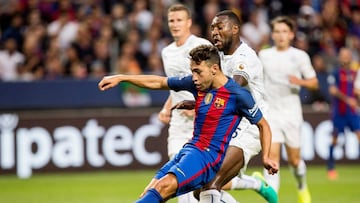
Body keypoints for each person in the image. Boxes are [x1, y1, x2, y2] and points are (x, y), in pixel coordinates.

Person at [98, 44, 278, 203]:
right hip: (188, 150)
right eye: (192, 71)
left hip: (206, 158)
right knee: (149, 192)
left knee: (162, 189)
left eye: (197, 71)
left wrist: (266, 157)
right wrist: (122, 77)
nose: (194, 77)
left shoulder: (238, 95)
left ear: (214, 68)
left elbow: (264, 125)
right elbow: (159, 82)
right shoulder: (198, 85)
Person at [193, 10, 278, 203]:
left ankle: (257, 185)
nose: (214, 31)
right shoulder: (220, 58)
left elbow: (232, 88)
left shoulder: (244, 57)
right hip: (230, 126)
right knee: (201, 188)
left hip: (251, 126)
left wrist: (200, 101)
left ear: (235, 29)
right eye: (212, 27)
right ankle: (255, 184)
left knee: (209, 185)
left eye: (219, 27)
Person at [258, 16, 318, 203]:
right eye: (277, 31)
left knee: (294, 160)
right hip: (271, 114)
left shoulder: (299, 56)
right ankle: (273, 199)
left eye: (284, 31)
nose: (281, 35)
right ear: (272, 35)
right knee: (272, 157)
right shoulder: (264, 55)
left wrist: (299, 81)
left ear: (291, 34)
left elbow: (314, 83)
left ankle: (301, 186)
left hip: (291, 113)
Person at [157, 4, 211, 203]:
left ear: (189, 22)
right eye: (171, 20)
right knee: (179, 172)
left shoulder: (201, 46)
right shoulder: (167, 52)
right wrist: (166, 106)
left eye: (179, 20)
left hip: (204, 122)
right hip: (179, 122)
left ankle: (251, 183)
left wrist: (198, 106)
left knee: (207, 185)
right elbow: (176, 85)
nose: (175, 24)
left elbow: (216, 83)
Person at [327, 47, 360, 180]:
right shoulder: (335, 73)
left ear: (350, 57)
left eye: (347, 55)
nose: (345, 58)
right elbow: (333, 90)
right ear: (339, 57)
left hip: (352, 112)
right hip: (339, 112)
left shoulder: (355, 73)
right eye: (342, 55)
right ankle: (330, 168)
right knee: (335, 139)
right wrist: (348, 100)